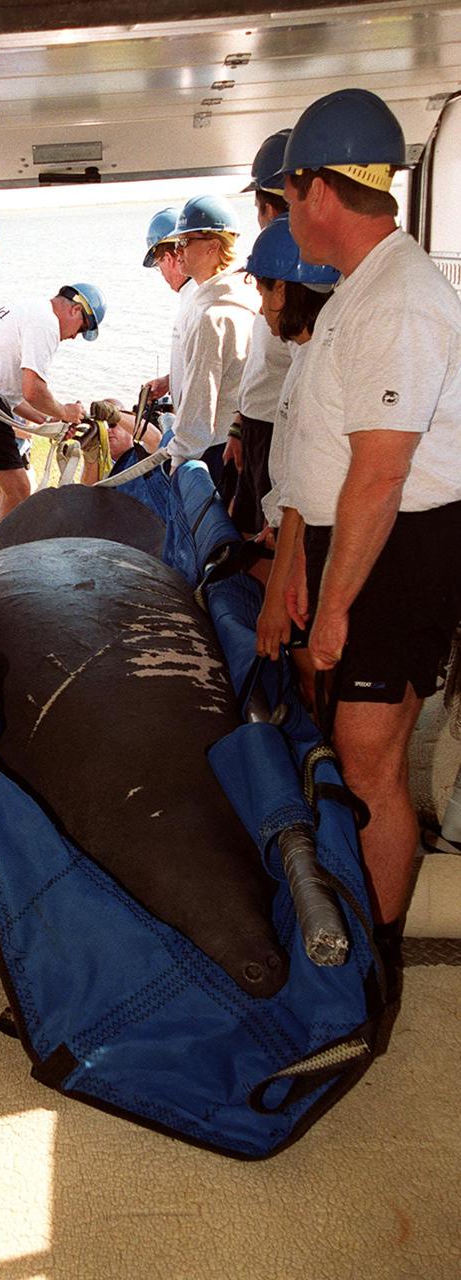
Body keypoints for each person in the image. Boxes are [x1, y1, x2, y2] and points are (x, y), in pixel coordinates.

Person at [279, 88, 461, 951]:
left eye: (285, 194)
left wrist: (338, 605)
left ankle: (375, 963)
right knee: (345, 760)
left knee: (371, 767)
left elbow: (380, 475)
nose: (285, 213)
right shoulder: (362, 286)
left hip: (397, 551)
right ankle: (345, 927)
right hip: (354, 547)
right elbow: (320, 460)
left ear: (318, 190)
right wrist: (298, 567)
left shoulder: (396, 297)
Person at [241, 215, 338, 705]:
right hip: (298, 536)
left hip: (315, 546)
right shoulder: (305, 355)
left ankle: (322, 765)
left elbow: (306, 489)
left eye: (262, 293)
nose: (260, 309)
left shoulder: (319, 363)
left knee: (311, 675)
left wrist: (277, 595)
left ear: (282, 290)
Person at [0, 283, 105, 524]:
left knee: (5, 490)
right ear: (75, 310)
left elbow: (13, 398)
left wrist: (51, 420)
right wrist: (66, 411)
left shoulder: (31, 309)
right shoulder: (46, 323)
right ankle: (0, 560)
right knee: (18, 489)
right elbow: (33, 390)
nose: (73, 337)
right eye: (81, 329)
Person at [226, 131, 296, 536]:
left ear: (269, 207)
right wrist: (239, 425)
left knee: (271, 536)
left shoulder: (302, 280)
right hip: (257, 427)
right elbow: (262, 361)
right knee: (251, 528)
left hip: (278, 433)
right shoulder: (275, 269)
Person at [164, 195, 259, 487]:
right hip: (238, 441)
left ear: (213, 246)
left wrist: (179, 459)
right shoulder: (243, 298)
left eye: (184, 242)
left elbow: (200, 400)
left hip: (214, 452)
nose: (177, 251)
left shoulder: (212, 316)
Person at [139, 207, 197, 409]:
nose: (161, 273)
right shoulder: (193, 295)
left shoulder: (196, 301)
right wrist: (168, 382)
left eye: (158, 264)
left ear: (170, 259)